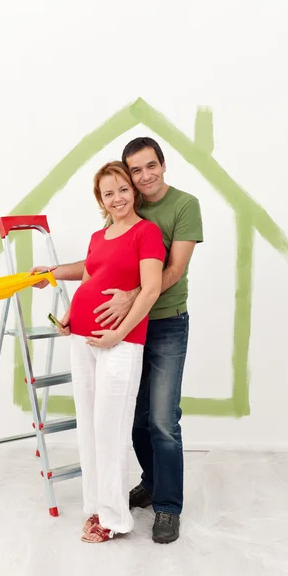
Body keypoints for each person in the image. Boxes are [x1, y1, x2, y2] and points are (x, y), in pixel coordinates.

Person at [32, 137, 203, 544]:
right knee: (136, 420)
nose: (143, 178)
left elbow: (172, 271)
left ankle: (167, 507)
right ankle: (146, 484)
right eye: (134, 173)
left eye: (149, 168)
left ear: (163, 165)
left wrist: (128, 304)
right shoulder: (116, 221)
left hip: (162, 322)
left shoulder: (181, 207)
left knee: (162, 420)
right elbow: (97, 268)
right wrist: (56, 275)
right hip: (111, 331)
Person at [52, 160, 165, 543]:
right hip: (82, 338)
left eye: (121, 189)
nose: (116, 198)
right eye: (107, 193)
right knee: (88, 426)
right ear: (100, 200)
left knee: (110, 429)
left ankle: (116, 519)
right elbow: (90, 279)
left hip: (119, 342)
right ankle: (98, 508)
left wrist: (117, 333)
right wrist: (69, 314)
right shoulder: (99, 236)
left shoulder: (147, 233)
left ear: (133, 191)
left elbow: (149, 289)